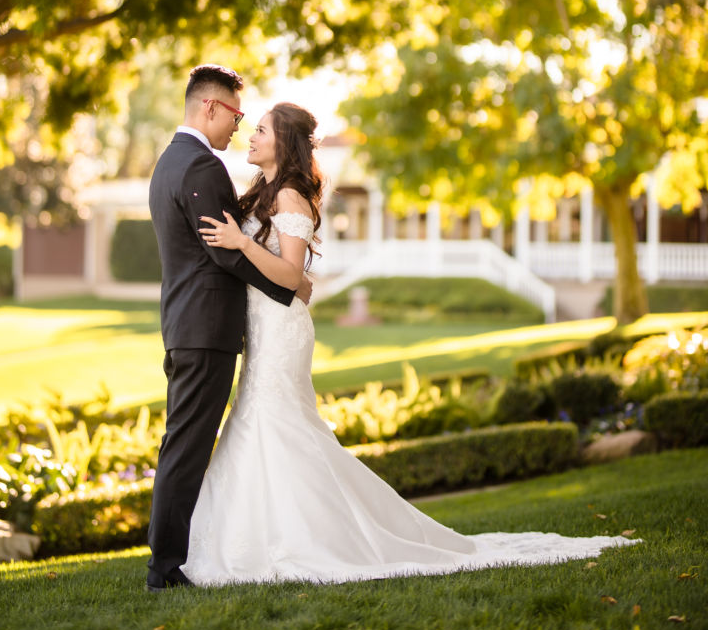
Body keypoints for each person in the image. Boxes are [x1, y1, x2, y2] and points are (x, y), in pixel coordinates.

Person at [183, 102, 639, 585]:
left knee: (273, 422)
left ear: (284, 143)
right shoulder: (263, 194)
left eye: (261, 130)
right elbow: (292, 277)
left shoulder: (292, 197)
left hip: (281, 331)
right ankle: (258, 533)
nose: (250, 137)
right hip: (264, 322)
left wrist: (243, 244)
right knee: (266, 421)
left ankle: (300, 539)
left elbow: (292, 273)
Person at [146, 66, 312, 593]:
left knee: (186, 443)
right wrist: (289, 287)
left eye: (253, 124)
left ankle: (176, 559)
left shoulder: (170, 162)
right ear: (210, 108)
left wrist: (278, 274)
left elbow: (228, 246)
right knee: (188, 446)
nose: (240, 129)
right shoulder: (201, 167)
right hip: (204, 328)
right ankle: (165, 569)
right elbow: (221, 253)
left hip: (190, 324)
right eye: (238, 117)